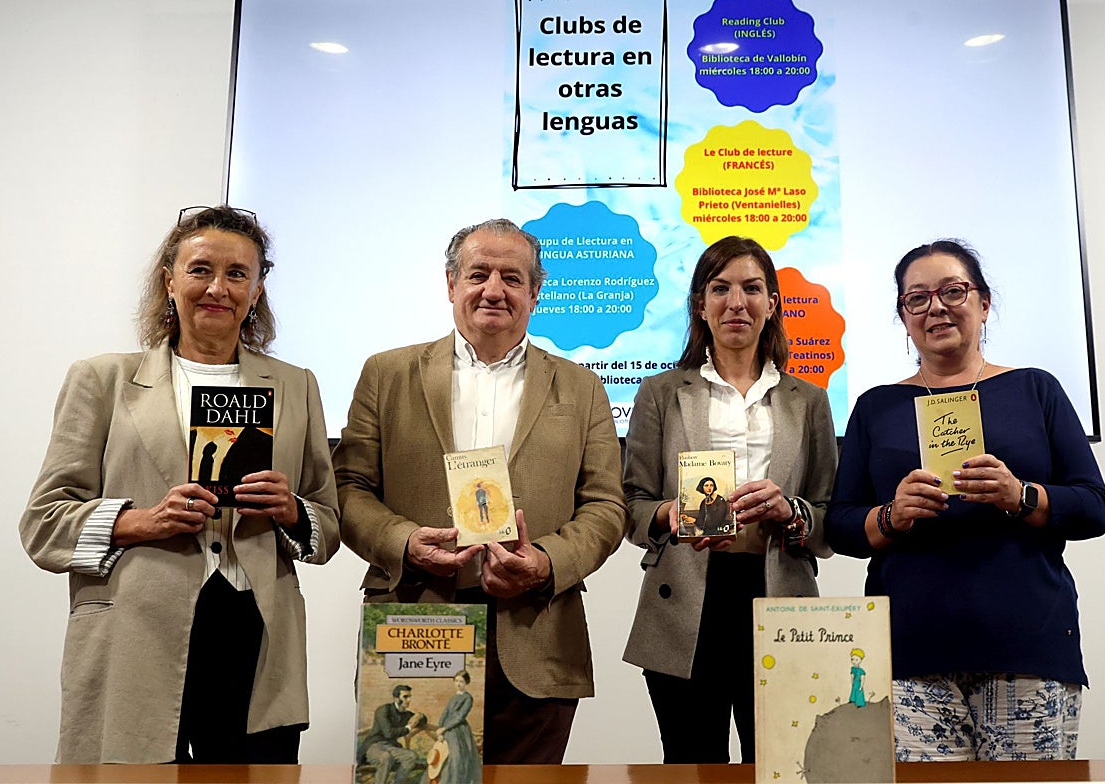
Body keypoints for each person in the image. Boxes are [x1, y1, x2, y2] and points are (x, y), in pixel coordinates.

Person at [19, 205, 341, 764]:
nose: (218, 287)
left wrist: (291, 511)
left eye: (238, 273)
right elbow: (43, 523)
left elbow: (329, 522)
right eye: (200, 270)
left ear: (258, 289)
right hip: (134, 633)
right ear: (168, 280)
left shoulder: (295, 384)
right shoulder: (102, 379)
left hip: (256, 632)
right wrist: (141, 520)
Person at [333, 217, 628, 764]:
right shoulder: (387, 373)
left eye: (513, 278)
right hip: (415, 621)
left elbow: (607, 505)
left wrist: (544, 560)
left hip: (537, 631)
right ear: (451, 285)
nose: (494, 290)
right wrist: (402, 541)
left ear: (535, 293)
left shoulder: (582, 387)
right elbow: (348, 487)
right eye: (478, 274)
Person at [824, 239, 1105, 762]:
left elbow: (1093, 507)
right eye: (917, 298)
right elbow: (840, 525)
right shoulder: (877, 407)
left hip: (1028, 644)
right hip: (908, 651)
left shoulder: (1034, 389)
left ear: (983, 303)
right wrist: (891, 514)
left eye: (953, 291)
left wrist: (1020, 495)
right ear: (903, 316)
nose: (936, 307)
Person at [622, 236, 837, 763]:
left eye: (751, 289)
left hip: (779, 597)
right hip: (686, 601)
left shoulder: (809, 401)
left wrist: (792, 512)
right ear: (700, 303)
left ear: (773, 303)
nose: (736, 302)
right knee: (691, 765)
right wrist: (672, 513)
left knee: (784, 766)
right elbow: (630, 505)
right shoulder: (660, 393)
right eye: (720, 288)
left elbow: (830, 518)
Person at [358, 685, 428, 784]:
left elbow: (422, 722)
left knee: (411, 756)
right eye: (405, 697)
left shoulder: (406, 714)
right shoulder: (383, 710)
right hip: (374, 746)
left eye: (410, 697)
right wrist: (408, 728)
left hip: (391, 747)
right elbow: (388, 733)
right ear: (396, 698)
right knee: (386, 757)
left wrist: (419, 716)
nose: (409, 700)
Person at [435, 671, 481, 784]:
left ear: (466, 683)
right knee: (444, 756)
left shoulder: (468, 698)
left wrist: (444, 728)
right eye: (456, 681)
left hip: (459, 731)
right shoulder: (453, 698)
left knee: (456, 758)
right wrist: (439, 730)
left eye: (461, 681)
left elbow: (460, 717)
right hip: (447, 730)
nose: (458, 684)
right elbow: (445, 713)